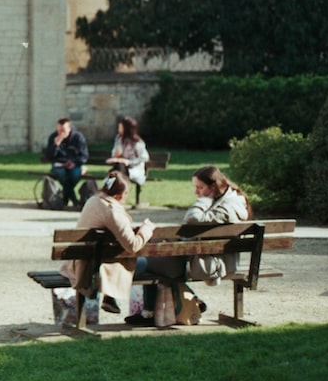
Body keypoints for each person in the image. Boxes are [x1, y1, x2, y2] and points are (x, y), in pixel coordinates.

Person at [125, 165, 251, 325]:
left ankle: (148, 313)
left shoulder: (227, 207)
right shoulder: (227, 202)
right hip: (202, 257)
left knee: (146, 260)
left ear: (213, 187)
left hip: (210, 264)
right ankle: (163, 308)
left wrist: (204, 199)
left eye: (200, 187)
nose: (196, 192)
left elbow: (192, 218)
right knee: (153, 251)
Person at [60, 170, 156, 315]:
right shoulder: (112, 211)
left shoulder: (94, 200)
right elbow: (133, 245)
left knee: (119, 255)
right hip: (94, 267)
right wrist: (146, 230)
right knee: (151, 264)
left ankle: (111, 297)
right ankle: (150, 311)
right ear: (120, 195)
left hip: (81, 261)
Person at [43, 117, 89, 208]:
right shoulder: (53, 137)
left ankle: (65, 199)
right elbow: (49, 156)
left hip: (74, 164)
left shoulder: (78, 137)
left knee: (75, 174)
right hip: (59, 165)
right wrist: (55, 145)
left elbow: (84, 155)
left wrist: (74, 163)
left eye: (63, 130)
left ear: (69, 128)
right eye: (59, 130)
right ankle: (75, 200)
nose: (61, 133)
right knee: (61, 173)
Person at [106, 116, 149, 187]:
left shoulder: (136, 142)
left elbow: (144, 157)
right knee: (117, 170)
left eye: (120, 127)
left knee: (115, 173)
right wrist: (116, 155)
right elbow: (114, 153)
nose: (119, 129)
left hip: (134, 169)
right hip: (120, 167)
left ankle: (108, 188)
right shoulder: (118, 139)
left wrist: (129, 162)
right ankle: (109, 188)